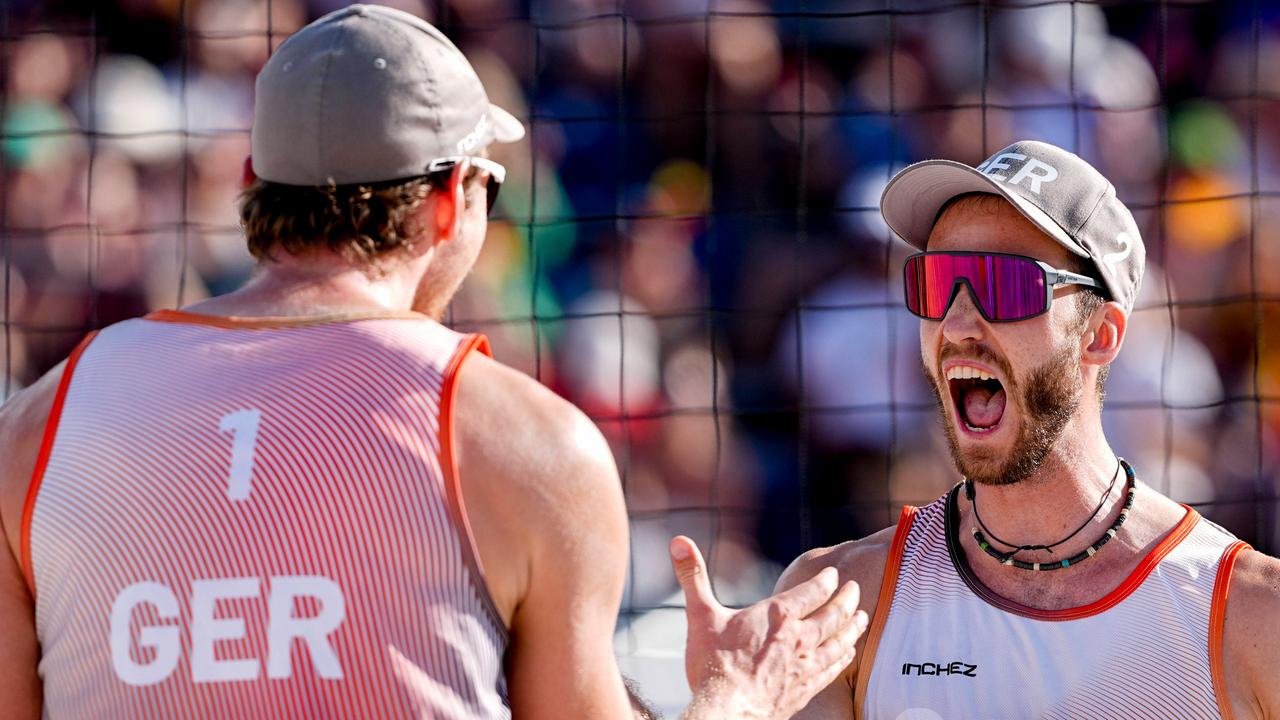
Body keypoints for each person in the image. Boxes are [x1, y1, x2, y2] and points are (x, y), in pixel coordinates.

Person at [0, 6, 867, 719]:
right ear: (454, 200)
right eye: (492, 182)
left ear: (251, 180)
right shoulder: (526, 442)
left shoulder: (40, 421)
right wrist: (743, 699)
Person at [773, 140, 1280, 718]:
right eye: (938, 283)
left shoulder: (1251, 615)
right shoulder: (838, 600)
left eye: (1005, 285)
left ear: (1100, 335)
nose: (958, 323)